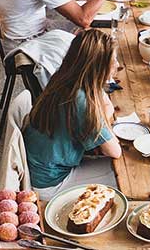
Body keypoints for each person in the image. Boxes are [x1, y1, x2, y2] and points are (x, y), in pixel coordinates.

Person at [23, 29, 123, 199]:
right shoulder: (80, 100)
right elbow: (114, 151)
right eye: (113, 60)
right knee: (122, 177)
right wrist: (105, 117)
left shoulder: (63, 78)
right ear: (99, 66)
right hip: (51, 184)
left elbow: (104, 103)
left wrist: (104, 112)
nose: (117, 64)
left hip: (42, 167)